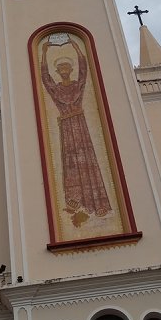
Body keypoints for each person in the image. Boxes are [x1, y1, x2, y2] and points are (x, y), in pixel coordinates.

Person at [41, 38, 111, 226]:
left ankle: (97, 203)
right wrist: (44, 53)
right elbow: (45, 79)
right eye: (61, 70)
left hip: (80, 125)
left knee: (88, 160)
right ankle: (75, 202)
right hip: (66, 126)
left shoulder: (77, 85)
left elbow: (84, 71)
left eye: (66, 69)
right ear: (58, 72)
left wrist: (78, 49)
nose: (64, 71)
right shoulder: (55, 89)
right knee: (70, 164)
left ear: (69, 70)